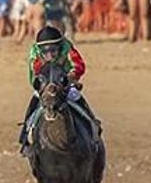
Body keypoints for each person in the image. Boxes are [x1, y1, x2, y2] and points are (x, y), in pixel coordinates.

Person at [19, 25, 98, 155]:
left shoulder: (67, 47)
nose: (49, 55)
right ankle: (25, 138)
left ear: (60, 46)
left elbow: (79, 65)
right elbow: (35, 71)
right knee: (34, 104)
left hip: (66, 85)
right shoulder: (35, 52)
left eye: (53, 50)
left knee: (76, 97)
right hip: (44, 87)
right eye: (45, 51)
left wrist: (70, 76)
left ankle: (93, 128)